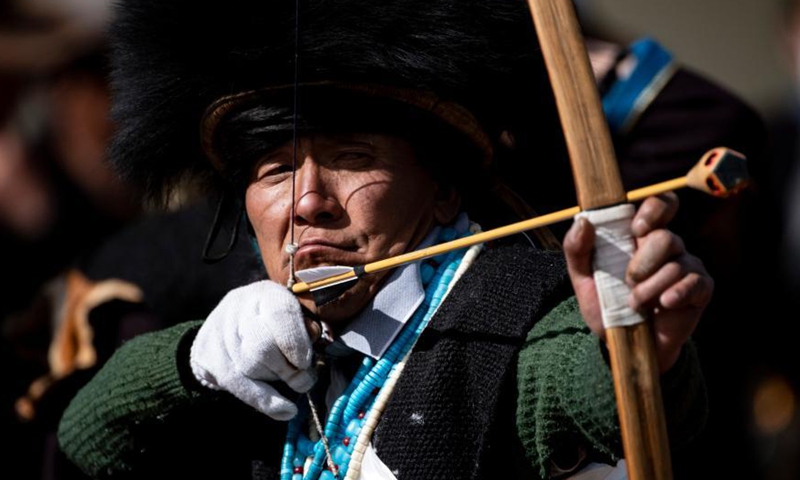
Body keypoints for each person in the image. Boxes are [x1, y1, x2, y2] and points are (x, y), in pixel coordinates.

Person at [57, 0, 714, 478]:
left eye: (350, 156)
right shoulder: (241, 334)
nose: (308, 201)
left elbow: (582, 393)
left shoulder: (517, 306)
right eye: (276, 170)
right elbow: (87, 442)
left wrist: (631, 353)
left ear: (443, 188)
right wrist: (189, 366)